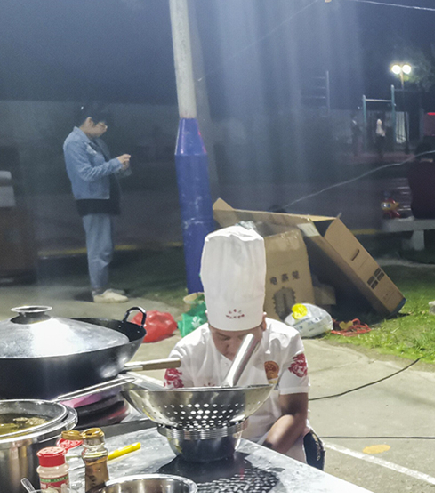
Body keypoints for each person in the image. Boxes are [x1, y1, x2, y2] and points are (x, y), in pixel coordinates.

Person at [164, 227, 312, 461]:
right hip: (209, 451)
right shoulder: (187, 353)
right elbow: (179, 421)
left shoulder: (285, 342)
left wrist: (262, 457)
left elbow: (294, 413)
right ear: (209, 325)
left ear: (262, 322)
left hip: (277, 448)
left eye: (244, 337)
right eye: (222, 337)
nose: (232, 347)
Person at [63, 102, 131, 304]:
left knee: (106, 246)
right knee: (98, 247)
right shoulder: (74, 143)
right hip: (91, 199)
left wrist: (121, 167)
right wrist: (114, 163)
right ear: (89, 121)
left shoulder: (97, 142)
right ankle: (99, 291)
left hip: (104, 198)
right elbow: (86, 174)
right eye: (103, 124)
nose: (105, 128)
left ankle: (103, 286)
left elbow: (106, 169)